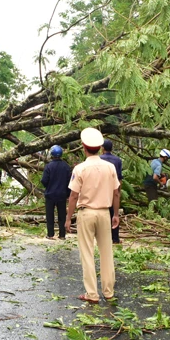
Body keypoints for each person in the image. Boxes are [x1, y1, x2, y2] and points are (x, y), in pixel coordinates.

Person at [65, 128, 120, 304]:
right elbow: (117, 192)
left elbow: (73, 195)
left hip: (86, 212)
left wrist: (68, 218)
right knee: (106, 251)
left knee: (87, 253)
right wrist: (116, 214)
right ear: (100, 147)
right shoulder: (110, 167)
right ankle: (108, 291)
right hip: (104, 212)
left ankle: (92, 294)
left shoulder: (80, 168)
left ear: (84, 147)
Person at [41, 145, 72, 240]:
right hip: (62, 194)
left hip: (50, 194)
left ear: (51, 154)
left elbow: (44, 180)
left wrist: (49, 186)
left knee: (50, 215)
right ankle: (62, 235)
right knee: (62, 215)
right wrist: (67, 193)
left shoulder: (48, 166)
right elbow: (69, 181)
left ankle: (50, 234)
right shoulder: (66, 166)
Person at [100, 139, 123, 244]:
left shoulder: (99, 159)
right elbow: (119, 179)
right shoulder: (117, 160)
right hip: (113, 189)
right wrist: (119, 191)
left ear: (103, 148)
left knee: (103, 214)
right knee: (114, 213)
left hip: (101, 191)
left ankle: (102, 237)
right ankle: (115, 238)